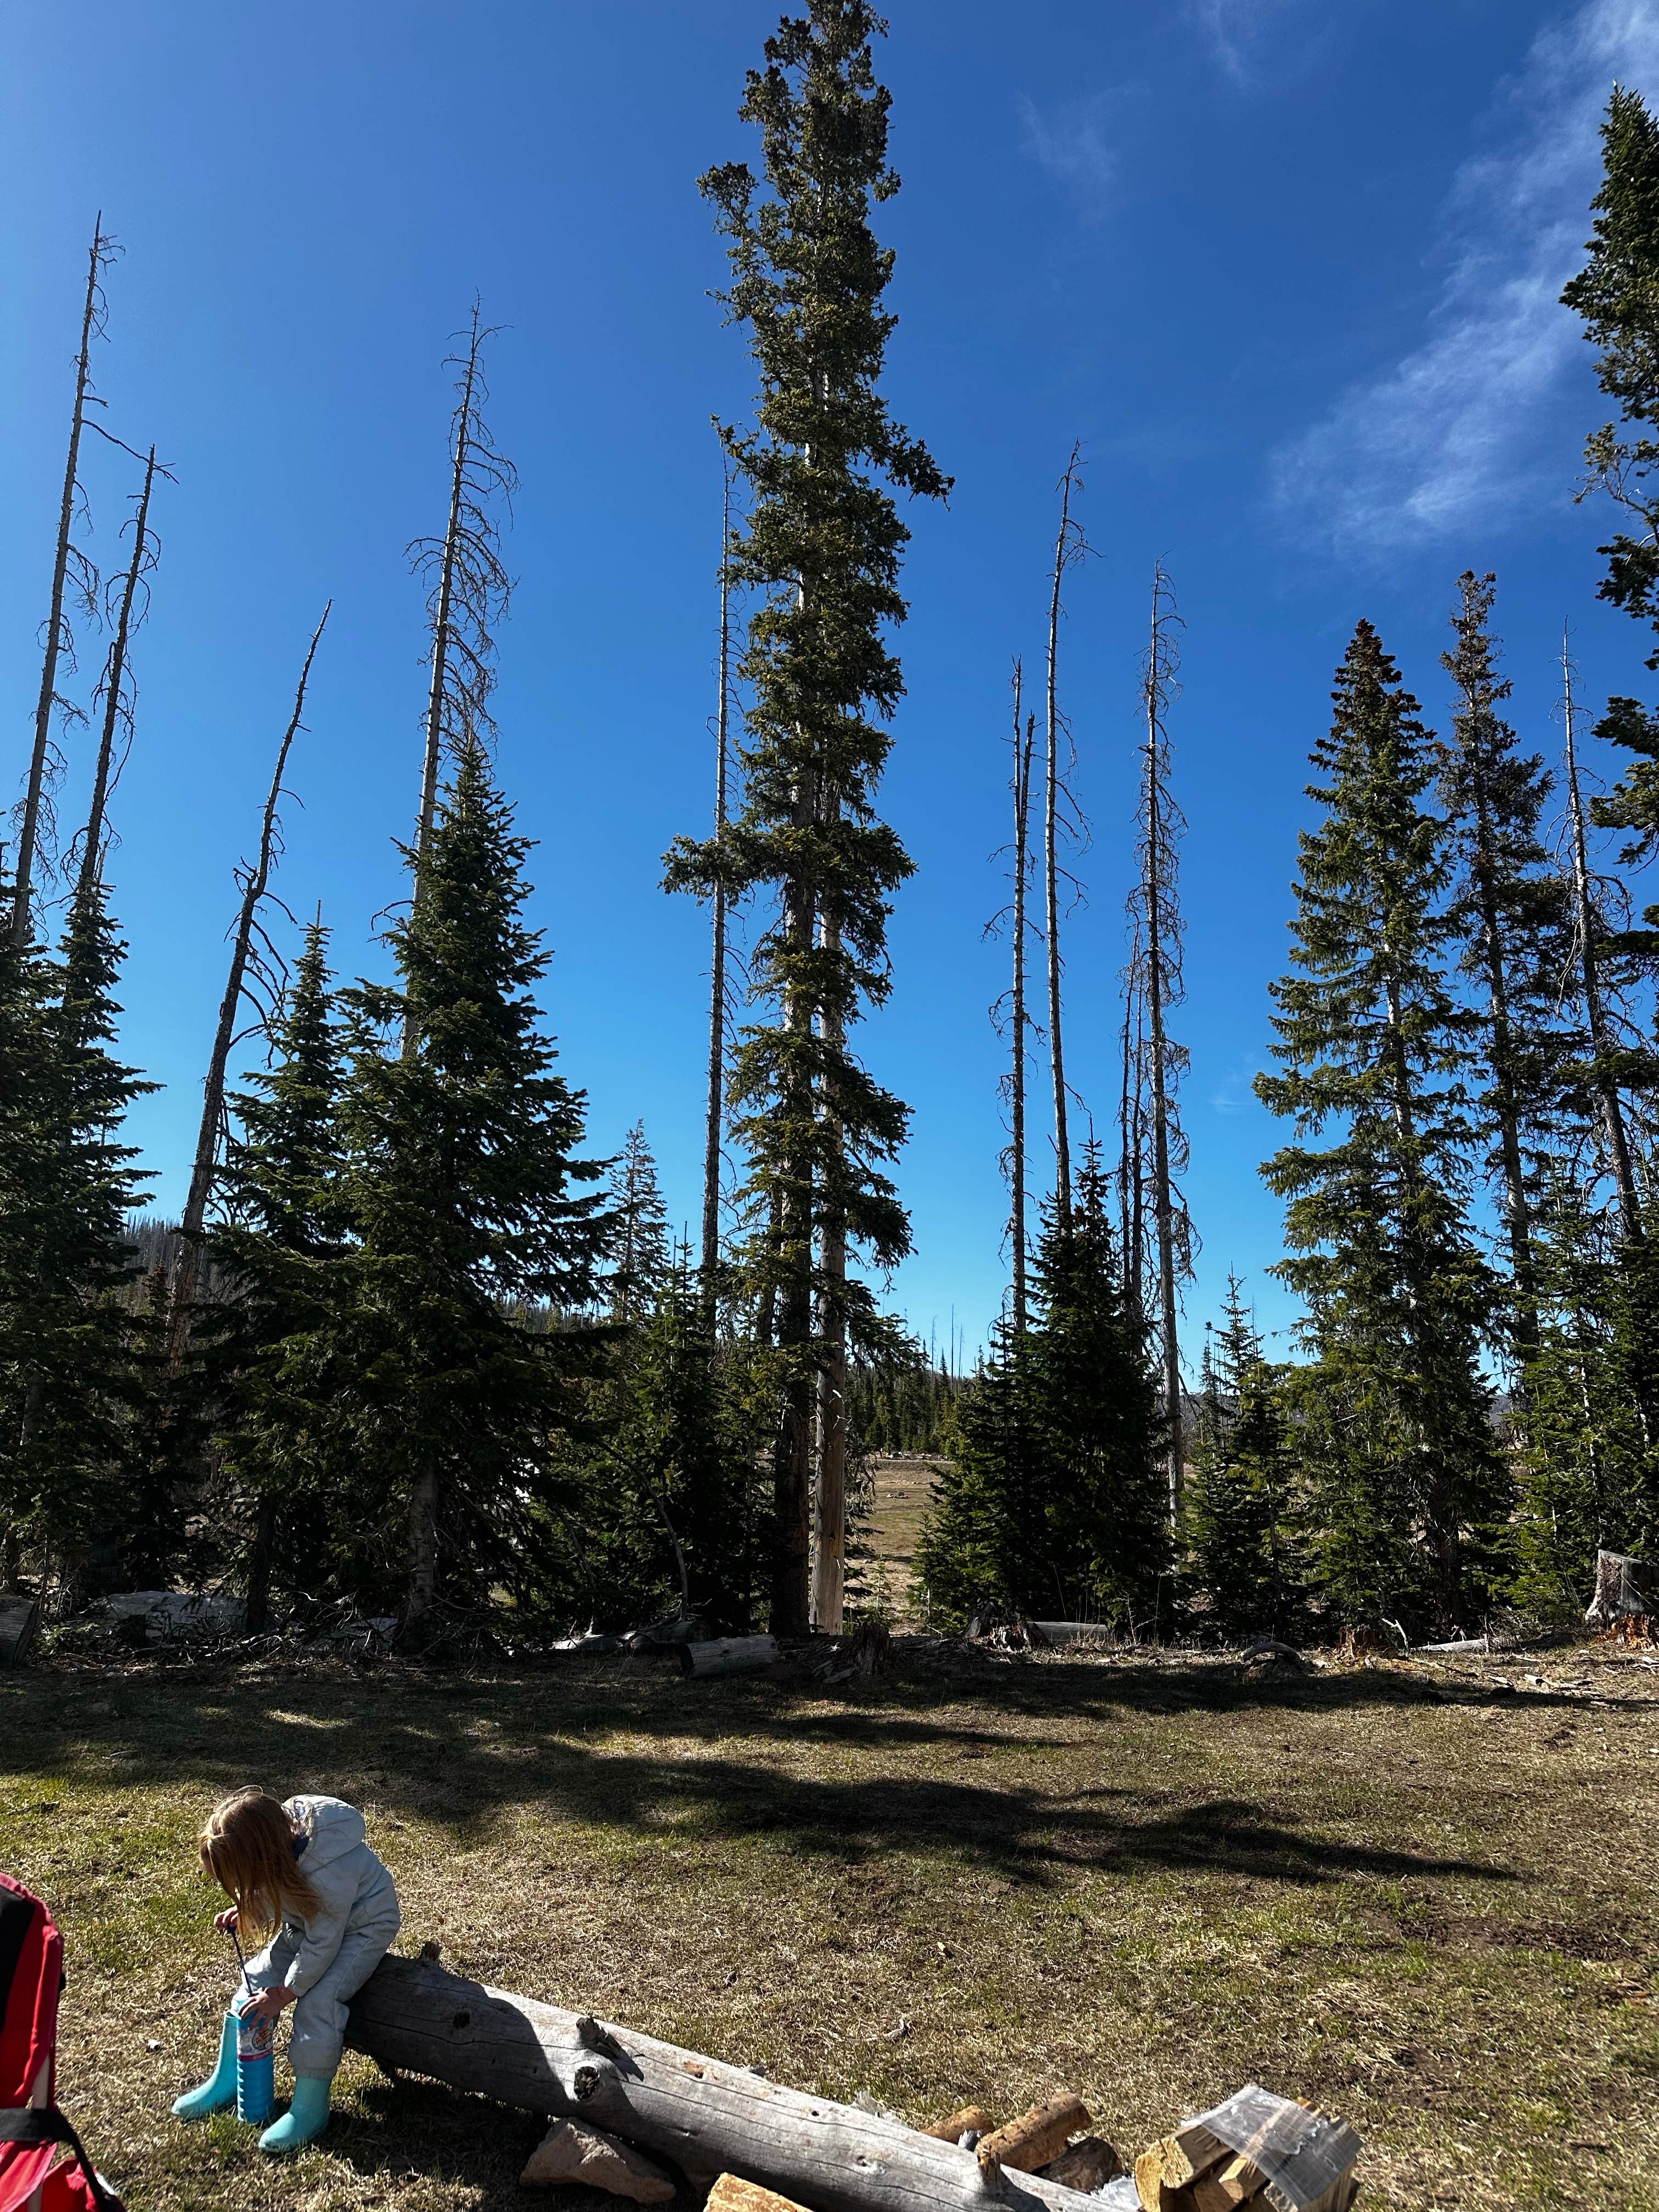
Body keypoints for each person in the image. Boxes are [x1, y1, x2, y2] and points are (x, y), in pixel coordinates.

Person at [170, 1788, 400, 2154]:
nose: (244, 1889)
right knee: (254, 1986)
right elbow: (274, 1886)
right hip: (307, 1923)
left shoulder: (328, 1871)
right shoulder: (280, 1843)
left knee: (319, 2002)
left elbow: (324, 1942)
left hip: (362, 1926)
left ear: (264, 1857)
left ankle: (310, 2107)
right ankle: (229, 2078)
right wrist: (249, 1908)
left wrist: (288, 1992)